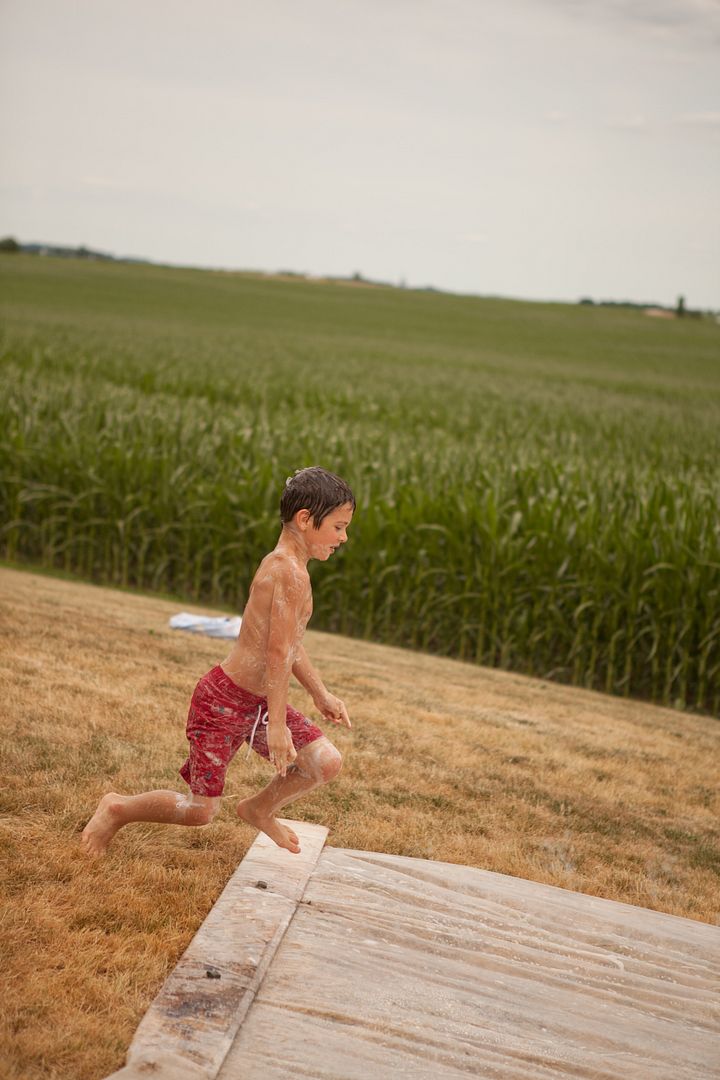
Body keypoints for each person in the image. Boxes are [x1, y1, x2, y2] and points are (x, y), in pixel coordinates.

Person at [81, 467, 355, 857]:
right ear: (305, 519)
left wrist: (321, 693)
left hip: (257, 703)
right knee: (199, 810)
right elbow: (276, 655)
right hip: (223, 701)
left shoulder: (291, 568)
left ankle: (259, 809)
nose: (344, 537)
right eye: (339, 526)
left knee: (324, 762)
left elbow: (289, 644)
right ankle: (115, 808)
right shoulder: (287, 572)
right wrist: (277, 726)